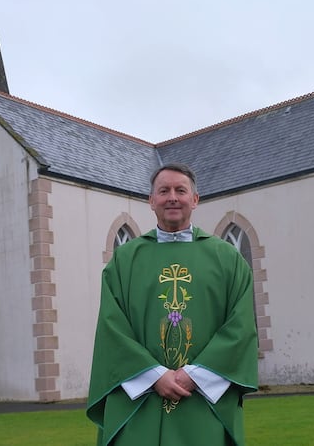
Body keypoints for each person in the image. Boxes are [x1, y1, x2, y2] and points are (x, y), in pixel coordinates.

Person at [87, 163, 258, 445]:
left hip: (203, 401)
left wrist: (195, 375)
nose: (173, 198)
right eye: (164, 191)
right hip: (140, 402)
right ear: (151, 200)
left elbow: (240, 328)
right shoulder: (124, 261)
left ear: (195, 199)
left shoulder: (228, 259)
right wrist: (153, 376)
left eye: (181, 190)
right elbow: (111, 328)